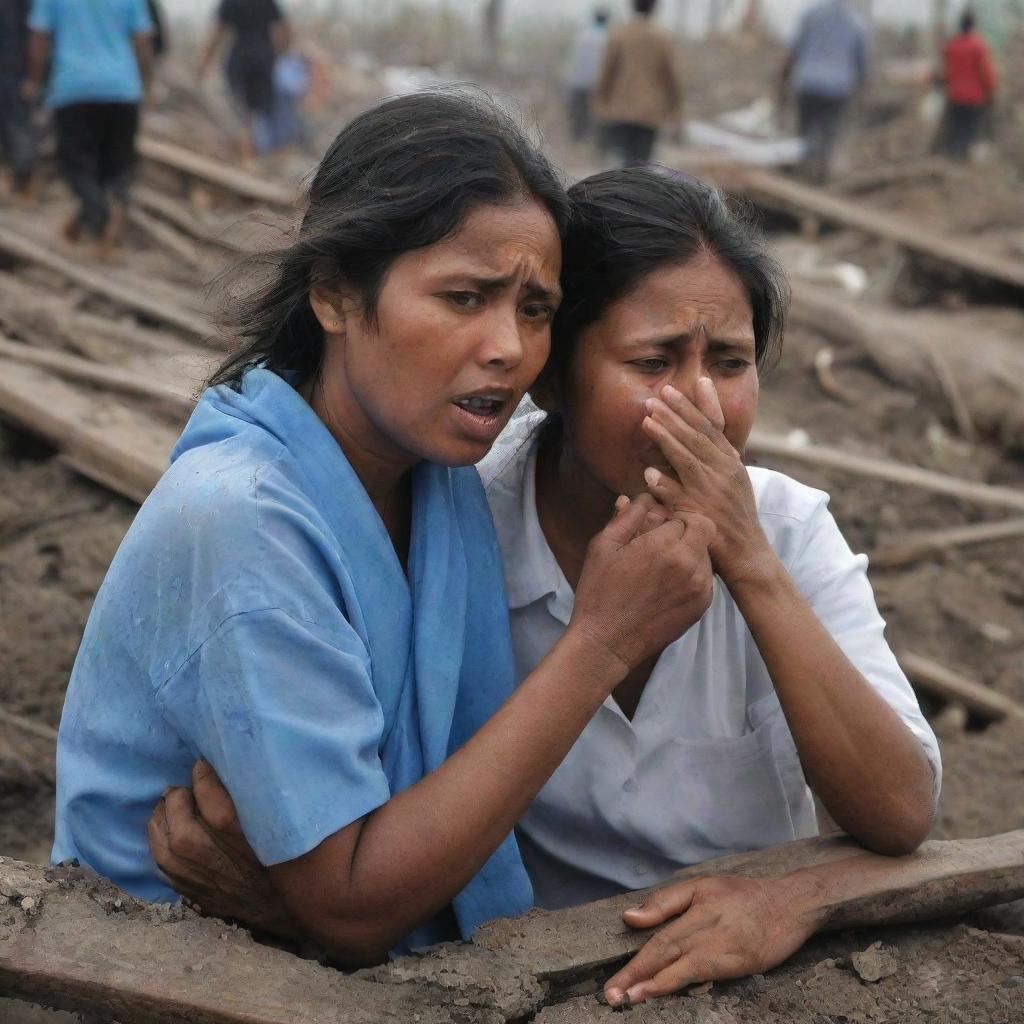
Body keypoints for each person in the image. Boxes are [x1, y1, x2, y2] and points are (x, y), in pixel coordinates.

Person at [147, 168, 940, 1004]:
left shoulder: (786, 530)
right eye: (653, 361)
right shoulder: (460, 528)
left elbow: (899, 810)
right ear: (552, 378)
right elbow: (364, 845)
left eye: (731, 362)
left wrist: (751, 566)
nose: (702, 405)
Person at [52, 91, 719, 961]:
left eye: (534, 309)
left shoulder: (435, 481)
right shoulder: (242, 521)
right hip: (148, 979)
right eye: (464, 297)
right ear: (333, 294)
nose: (509, 349)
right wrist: (601, 642)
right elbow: (354, 903)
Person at [25, 0, 153, 260]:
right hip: (122, 89)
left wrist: (34, 81)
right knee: (117, 167)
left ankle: (99, 222)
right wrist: (146, 84)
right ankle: (104, 218)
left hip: (74, 88)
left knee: (76, 167)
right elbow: (143, 41)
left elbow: (39, 38)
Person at [781, 0, 868, 184]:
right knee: (829, 132)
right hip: (837, 88)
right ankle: (820, 175)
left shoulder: (811, 14)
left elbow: (794, 49)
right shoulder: (856, 22)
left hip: (808, 82)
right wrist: (862, 87)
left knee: (804, 130)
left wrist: (784, 76)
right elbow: (862, 63)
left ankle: (802, 168)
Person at [591, 0, 684, 167]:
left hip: (620, 108)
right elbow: (672, 78)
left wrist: (600, 103)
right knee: (642, 162)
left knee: (624, 160)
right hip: (650, 112)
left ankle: (624, 189)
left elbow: (607, 73)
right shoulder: (661, 37)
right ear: (654, 7)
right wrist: (676, 110)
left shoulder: (619, 35)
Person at [199, 0, 290, 163]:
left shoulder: (230, 3)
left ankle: (248, 155)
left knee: (242, 112)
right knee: (262, 112)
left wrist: (204, 64)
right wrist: (279, 54)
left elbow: (217, 33)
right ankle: (261, 156)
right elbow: (283, 31)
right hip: (263, 60)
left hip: (239, 60)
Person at [938, 9, 996, 161]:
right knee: (971, 131)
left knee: (957, 130)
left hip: (955, 96)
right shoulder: (979, 46)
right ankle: (963, 161)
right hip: (974, 98)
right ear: (973, 25)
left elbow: (946, 72)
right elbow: (987, 74)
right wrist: (990, 93)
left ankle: (955, 158)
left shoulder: (951, 46)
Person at [0, 0, 37, 200]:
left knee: (16, 128)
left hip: (14, 69)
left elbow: (34, 29)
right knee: (16, 128)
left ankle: (22, 181)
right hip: (14, 67)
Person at [565, 8, 609, 144]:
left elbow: (573, 61)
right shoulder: (608, 39)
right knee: (595, 119)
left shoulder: (582, 37)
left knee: (579, 116)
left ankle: (577, 144)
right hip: (597, 85)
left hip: (579, 83)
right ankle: (591, 146)